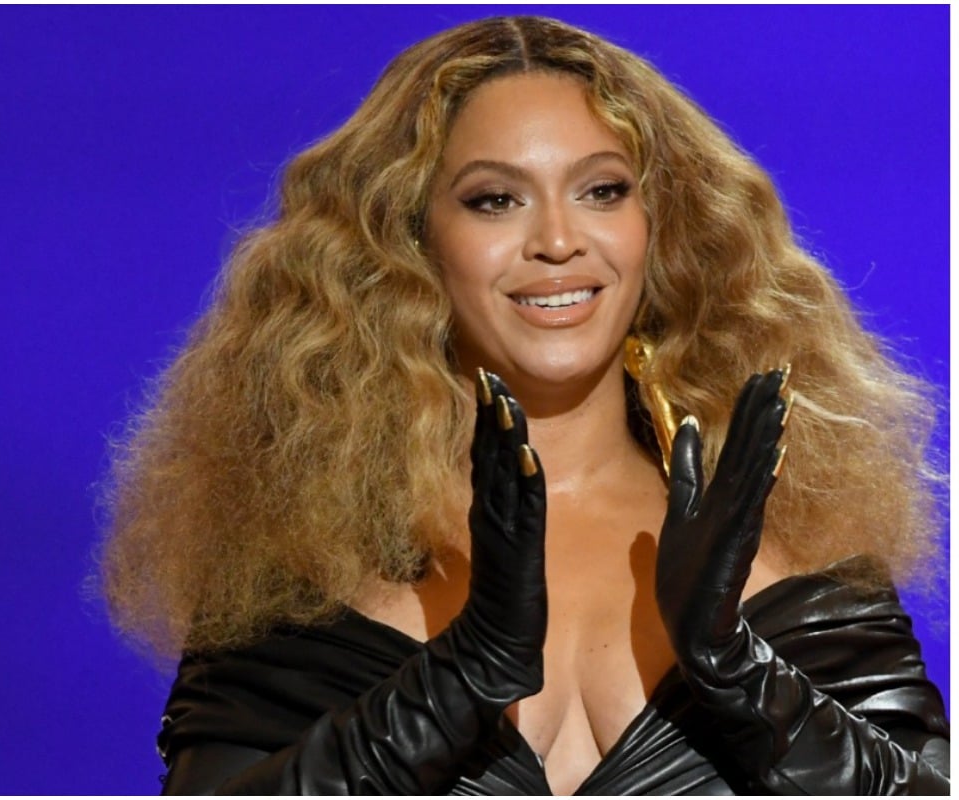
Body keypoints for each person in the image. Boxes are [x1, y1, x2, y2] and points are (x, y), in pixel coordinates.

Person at [98, 16, 948, 794]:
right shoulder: (298, 561)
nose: (556, 240)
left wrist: (736, 668)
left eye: (603, 190)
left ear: (663, 228)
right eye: (495, 199)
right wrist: (461, 673)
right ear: (410, 240)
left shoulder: (795, 545)